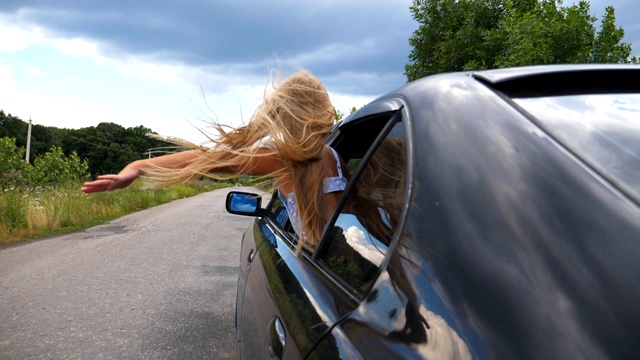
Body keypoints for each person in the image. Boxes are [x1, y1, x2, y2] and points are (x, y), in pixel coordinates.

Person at [81, 70, 348, 252]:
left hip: (317, 267)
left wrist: (138, 167)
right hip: (346, 268)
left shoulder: (284, 161)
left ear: (283, 115)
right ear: (325, 111)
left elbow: (206, 160)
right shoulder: (336, 157)